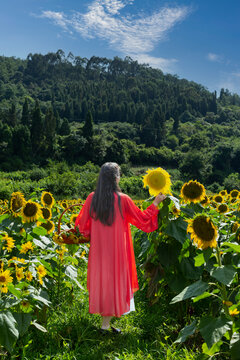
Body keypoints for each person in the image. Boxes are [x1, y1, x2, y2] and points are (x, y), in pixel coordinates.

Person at [75, 162, 166, 333]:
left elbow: (82, 226)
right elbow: (142, 219)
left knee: (102, 282)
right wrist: (156, 202)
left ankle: (105, 323)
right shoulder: (123, 199)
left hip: (99, 250)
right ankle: (105, 325)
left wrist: (91, 234)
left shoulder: (91, 198)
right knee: (114, 282)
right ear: (116, 178)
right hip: (117, 250)